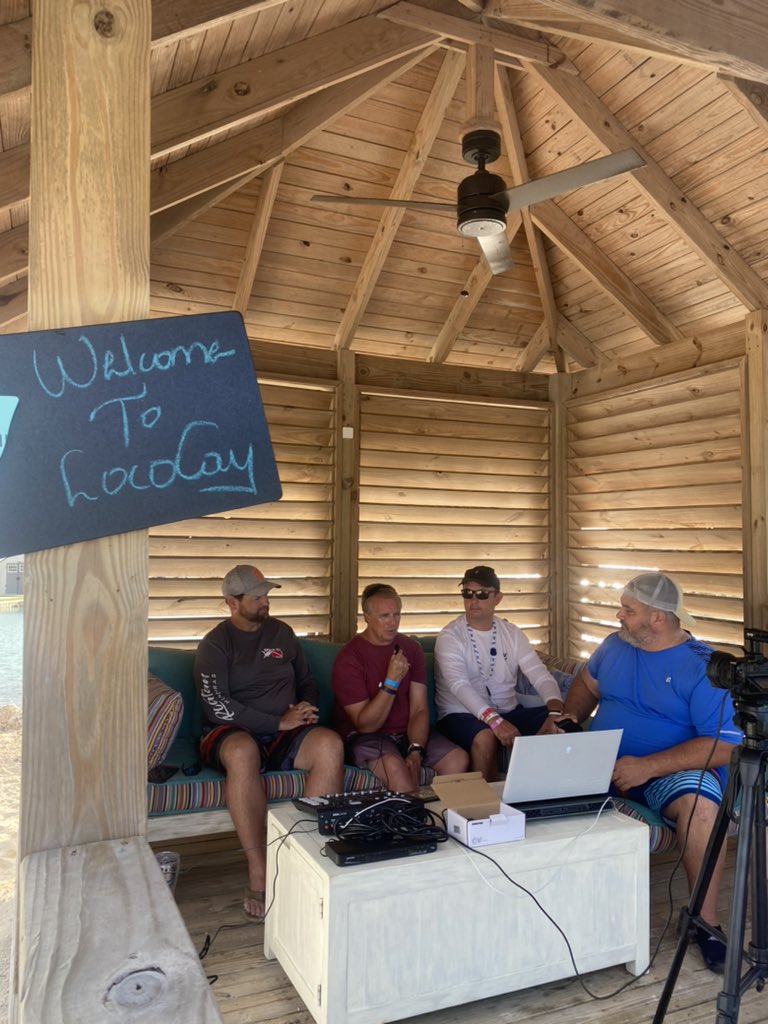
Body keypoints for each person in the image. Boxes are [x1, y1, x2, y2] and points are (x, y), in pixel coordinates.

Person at [560, 572, 741, 973]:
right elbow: (587, 685)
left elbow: (723, 745)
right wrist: (569, 717)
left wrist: (646, 767)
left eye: (628, 610)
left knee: (701, 808)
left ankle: (705, 924)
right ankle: (560, 913)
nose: (619, 616)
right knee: (534, 794)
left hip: (668, 773)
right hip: (602, 764)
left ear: (657, 618)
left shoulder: (704, 667)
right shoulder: (614, 646)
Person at [195, 564, 344, 921]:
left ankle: (304, 861)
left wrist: (306, 707)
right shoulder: (215, 644)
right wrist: (276, 721)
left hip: (285, 730)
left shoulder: (282, 633)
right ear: (232, 602)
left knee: (330, 745)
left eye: (266, 595)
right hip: (231, 730)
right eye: (256, 597)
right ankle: (259, 872)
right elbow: (217, 706)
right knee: (242, 752)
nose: (265, 602)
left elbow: (306, 680)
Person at [332, 583, 468, 790]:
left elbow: (419, 709)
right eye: (384, 616)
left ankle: (442, 812)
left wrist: (416, 750)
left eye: (396, 615)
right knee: (396, 768)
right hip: (368, 737)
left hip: (407, 733)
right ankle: (412, 812)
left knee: (457, 759)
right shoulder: (350, 657)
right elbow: (366, 725)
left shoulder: (411, 648)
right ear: (367, 617)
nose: (392, 622)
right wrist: (392, 681)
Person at [434, 566, 565, 781]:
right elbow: (459, 685)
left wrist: (554, 711)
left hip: (508, 711)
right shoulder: (450, 636)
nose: (473, 600)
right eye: (467, 593)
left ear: (497, 598)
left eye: (482, 594)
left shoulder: (512, 633)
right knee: (485, 736)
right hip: (460, 714)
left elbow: (539, 675)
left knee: (562, 724)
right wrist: (494, 721)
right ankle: (488, 801)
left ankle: (546, 794)